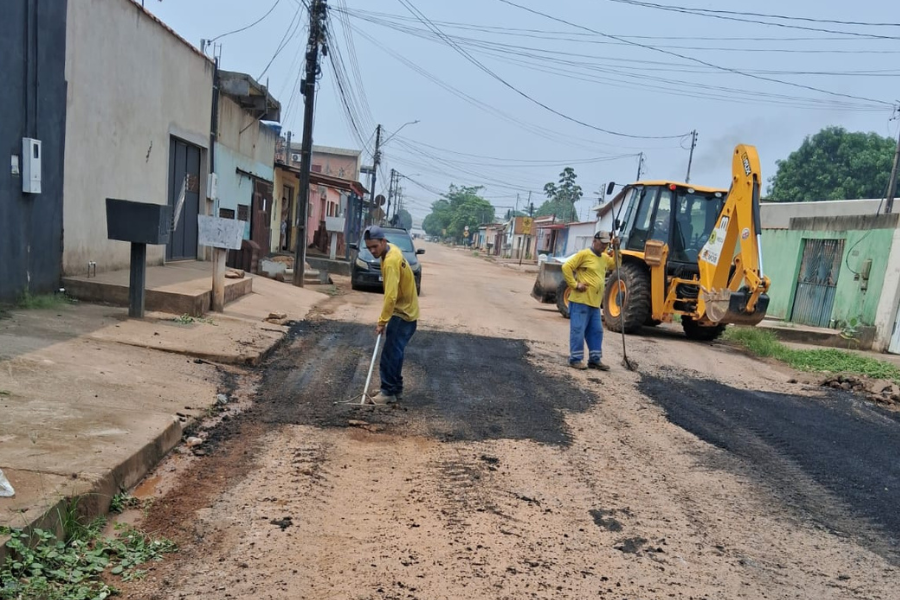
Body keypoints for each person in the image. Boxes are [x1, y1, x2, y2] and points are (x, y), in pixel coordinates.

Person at [364, 225, 420, 404]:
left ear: (383, 241)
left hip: (402, 313)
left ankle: (388, 392)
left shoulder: (390, 261)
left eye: (375, 246)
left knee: (390, 354)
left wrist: (382, 321)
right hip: (407, 311)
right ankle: (394, 388)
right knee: (396, 352)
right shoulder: (392, 249)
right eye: (369, 248)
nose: (372, 251)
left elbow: (390, 296)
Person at [561, 231, 616, 371]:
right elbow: (566, 267)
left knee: (596, 331)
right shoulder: (584, 254)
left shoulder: (604, 258)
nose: (603, 246)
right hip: (580, 301)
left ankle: (595, 360)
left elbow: (616, 265)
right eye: (602, 243)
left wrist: (617, 249)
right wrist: (574, 285)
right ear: (594, 240)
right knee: (578, 331)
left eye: (606, 244)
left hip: (595, 303)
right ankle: (575, 359)